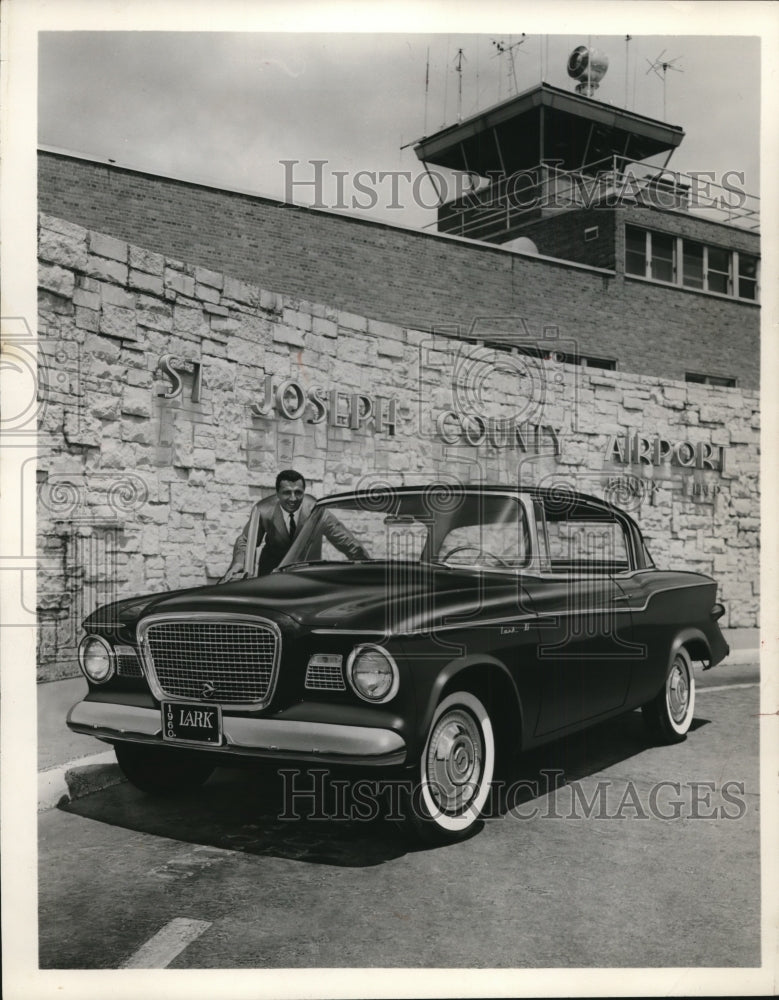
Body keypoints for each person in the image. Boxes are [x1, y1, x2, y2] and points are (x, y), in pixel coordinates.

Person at [219, 469, 367, 582]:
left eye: (298, 492)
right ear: (277, 493)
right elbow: (246, 541)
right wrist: (238, 563)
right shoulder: (262, 510)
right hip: (272, 576)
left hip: (308, 577)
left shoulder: (315, 509)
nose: (293, 498)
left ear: (304, 492)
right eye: (286, 493)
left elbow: (345, 540)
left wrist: (366, 568)